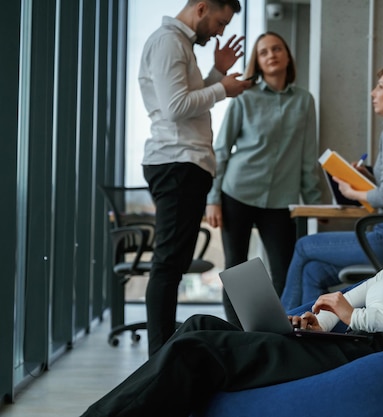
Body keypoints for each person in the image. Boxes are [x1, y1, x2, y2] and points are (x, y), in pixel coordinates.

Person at [79, 158, 383, 417]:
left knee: (195, 350)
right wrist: (314, 321)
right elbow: (348, 301)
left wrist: (357, 317)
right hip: (348, 343)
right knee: (200, 324)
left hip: (371, 353)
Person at [140, 0, 251, 356]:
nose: (220, 31)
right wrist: (224, 89)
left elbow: (188, 102)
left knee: (173, 263)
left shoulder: (181, 44)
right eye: (219, 22)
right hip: (176, 163)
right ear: (202, 8)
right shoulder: (169, 41)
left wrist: (218, 74)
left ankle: (162, 354)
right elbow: (175, 109)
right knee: (168, 264)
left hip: (185, 164)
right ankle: (158, 360)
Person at [281, 63, 383, 310]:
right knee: (313, 272)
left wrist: (351, 192)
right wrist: (367, 174)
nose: (373, 93)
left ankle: (280, 328)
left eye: (380, 87)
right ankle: (308, 331)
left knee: (303, 245)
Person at [205, 32, 322, 327]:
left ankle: (280, 332)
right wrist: (213, 198)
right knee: (237, 270)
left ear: (287, 56)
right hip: (237, 193)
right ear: (257, 61)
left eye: (277, 49)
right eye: (264, 51)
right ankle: (239, 335)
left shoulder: (304, 101)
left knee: (285, 270)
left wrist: (317, 203)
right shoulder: (244, 96)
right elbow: (221, 148)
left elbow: (308, 157)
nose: (271, 55)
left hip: (282, 199)